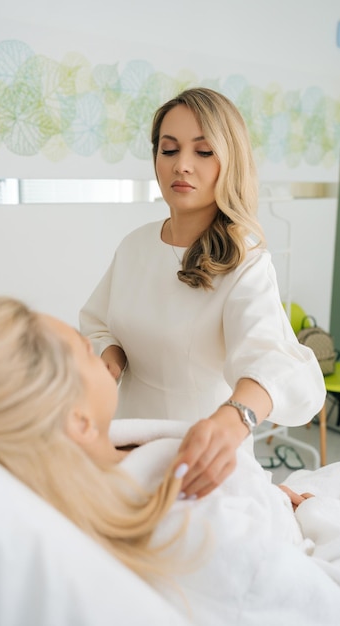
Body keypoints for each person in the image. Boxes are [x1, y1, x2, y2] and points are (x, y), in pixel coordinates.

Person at [0, 295, 340, 625]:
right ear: (81, 423)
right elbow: (323, 602)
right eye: (88, 352)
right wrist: (312, 512)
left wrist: (271, 498)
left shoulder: (116, 464)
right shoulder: (197, 530)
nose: (102, 356)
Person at [79, 87, 326, 498]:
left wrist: (235, 417)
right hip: (129, 443)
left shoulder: (246, 261)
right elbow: (99, 322)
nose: (182, 166)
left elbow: (273, 358)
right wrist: (112, 357)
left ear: (230, 160)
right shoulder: (136, 245)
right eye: (169, 149)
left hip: (203, 458)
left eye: (204, 152)